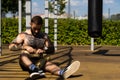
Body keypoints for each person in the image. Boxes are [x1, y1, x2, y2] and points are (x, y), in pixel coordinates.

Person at [9, 16, 80, 79]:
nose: (36, 31)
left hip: (39, 61)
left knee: (48, 64)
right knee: (23, 55)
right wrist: (24, 47)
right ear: (30, 24)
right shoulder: (23, 35)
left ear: (41, 26)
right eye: (34, 28)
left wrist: (44, 50)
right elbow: (11, 47)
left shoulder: (44, 36)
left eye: (38, 29)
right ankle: (34, 70)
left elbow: (52, 50)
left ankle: (62, 72)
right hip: (26, 62)